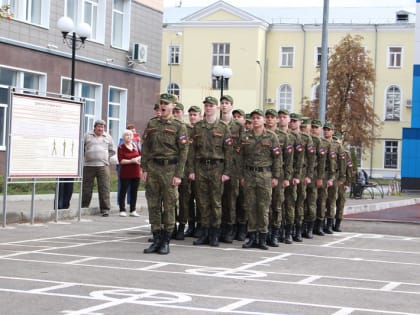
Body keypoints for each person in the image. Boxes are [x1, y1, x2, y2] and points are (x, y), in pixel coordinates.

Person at [141, 93, 188, 255]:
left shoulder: (179, 126)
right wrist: (144, 169)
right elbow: (145, 147)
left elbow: (183, 152)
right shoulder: (152, 123)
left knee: (169, 205)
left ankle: (166, 241)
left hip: (170, 170)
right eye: (161, 103)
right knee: (153, 204)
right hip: (153, 169)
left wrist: (178, 175)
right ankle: (156, 238)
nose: (163, 106)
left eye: (166, 104)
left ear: (172, 107)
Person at [188, 96, 233, 247]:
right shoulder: (198, 127)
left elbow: (228, 151)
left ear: (217, 108)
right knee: (202, 202)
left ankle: (215, 233)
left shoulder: (223, 127)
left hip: (216, 168)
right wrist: (191, 170)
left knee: (215, 202)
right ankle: (205, 232)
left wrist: (227, 172)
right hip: (201, 167)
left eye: (211, 106)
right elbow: (192, 151)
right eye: (206, 105)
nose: (208, 108)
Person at [240, 109, 281, 250]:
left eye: (258, 118)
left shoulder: (271, 136)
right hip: (249, 175)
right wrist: (242, 176)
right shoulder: (245, 137)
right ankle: (252, 237)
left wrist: (276, 176)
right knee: (250, 207)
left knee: (263, 207)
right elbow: (240, 158)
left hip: (265, 176)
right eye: (254, 118)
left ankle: (263, 237)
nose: (256, 120)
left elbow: (277, 158)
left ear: (263, 120)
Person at [220, 95, 245, 243]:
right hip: (219, 167)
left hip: (235, 168)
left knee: (233, 199)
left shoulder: (238, 126)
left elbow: (243, 148)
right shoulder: (217, 124)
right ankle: (221, 227)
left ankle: (234, 228)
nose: (224, 106)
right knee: (219, 199)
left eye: (227, 103)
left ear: (231, 105)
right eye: (222, 103)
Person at [81, 119, 116, 217]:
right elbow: (82, 148)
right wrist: (88, 155)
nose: (101, 128)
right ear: (95, 127)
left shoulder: (108, 137)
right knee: (86, 188)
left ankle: (105, 209)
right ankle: (84, 207)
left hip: (103, 166)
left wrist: (104, 156)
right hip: (88, 165)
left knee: (104, 187)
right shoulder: (87, 135)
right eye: (99, 126)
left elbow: (112, 150)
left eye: (102, 127)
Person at [184, 105, 203, 238]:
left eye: (195, 114)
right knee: (188, 199)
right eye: (190, 114)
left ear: (200, 116)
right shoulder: (185, 130)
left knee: (200, 199)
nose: (192, 117)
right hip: (186, 169)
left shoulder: (202, 130)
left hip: (200, 169)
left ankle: (200, 225)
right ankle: (191, 225)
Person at [117, 129, 141, 217]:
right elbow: (121, 160)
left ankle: (133, 210)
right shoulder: (121, 147)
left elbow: (140, 155)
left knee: (134, 191)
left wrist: (138, 159)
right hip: (126, 172)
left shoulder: (135, 145)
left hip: (136, 172)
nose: (129, 137)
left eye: (130, 135)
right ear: (123, 137)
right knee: (123, 191)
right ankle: (122, 209)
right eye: (127, 135)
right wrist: (132, 161)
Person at [333, 132, 353, 232]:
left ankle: (337, 224)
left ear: (341, 140)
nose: (335, 141)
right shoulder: (330, 149)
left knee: (340, 202)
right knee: (330, 201)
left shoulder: (346, 152)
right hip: (333, 178)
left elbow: (349, 168)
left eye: (337, 139)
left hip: (341, 180)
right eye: (334, 139)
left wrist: (347, 183)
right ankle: (328, 223)